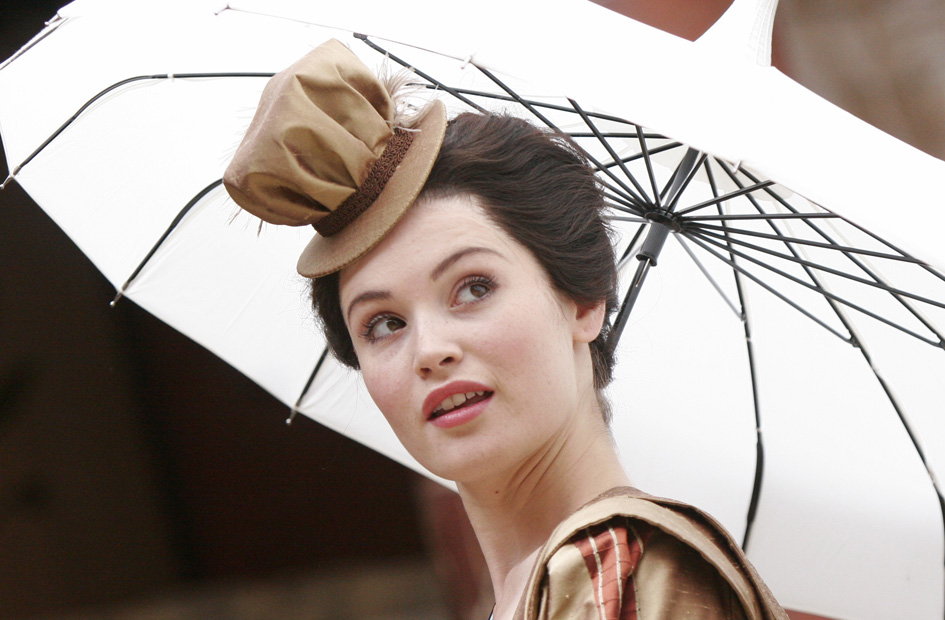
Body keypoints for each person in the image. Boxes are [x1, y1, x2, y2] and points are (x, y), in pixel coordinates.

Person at [224, 39, 787, 620]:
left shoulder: (617, 571)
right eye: (383, 324)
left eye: (474, 288)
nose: (431, 351)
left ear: (582, 300)